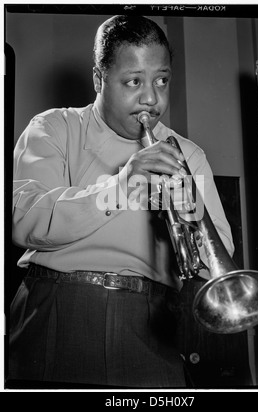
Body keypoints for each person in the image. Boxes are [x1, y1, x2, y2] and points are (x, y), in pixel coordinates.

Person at [8, 15, 234, 388]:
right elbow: (23, 220)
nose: (151, 98)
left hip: (149, 322)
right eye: (134, 82)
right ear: (99, 79)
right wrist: (123, 183)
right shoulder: (53, 128)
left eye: (162, 80)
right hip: (54, 307)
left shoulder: (187, 154)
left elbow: (217, 261)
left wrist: (190, 210)